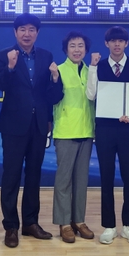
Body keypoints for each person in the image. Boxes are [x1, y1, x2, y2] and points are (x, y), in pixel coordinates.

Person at [0, 13, 62, 248]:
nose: (27, 34)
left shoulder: (46, 56)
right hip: (14, 125)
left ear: (37, 33)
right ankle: (11, 226)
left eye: (31, 29)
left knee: (34, 176)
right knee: (11, 177)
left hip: (38, 125)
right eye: (22, 29)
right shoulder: (3, 55)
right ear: (15, 32)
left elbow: (51, 95)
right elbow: (1, 84)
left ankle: (31, 223)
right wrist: (11, 67)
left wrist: (55, 79)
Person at [86, 26, 129, 245]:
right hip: (105, 129)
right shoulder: (99, 66)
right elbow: (91, 95)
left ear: (126, 43)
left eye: (121, 41)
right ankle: (109, 226)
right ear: (107, 43)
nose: (117, 44)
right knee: (106, 177)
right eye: (113, 41)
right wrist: (92, 67)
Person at [51, 32, 96, 243]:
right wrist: (54, 79)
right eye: (72, 45)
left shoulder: (92, 71)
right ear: (66, 49)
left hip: (87, 132)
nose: (77, 49)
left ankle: (79, 220)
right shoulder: (58, 70)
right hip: (66, 132)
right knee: (64, 181)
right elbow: (52, 98)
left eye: (80, 45)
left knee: (81, 180)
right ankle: (64, 223)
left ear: (86, 49)